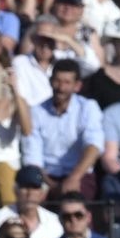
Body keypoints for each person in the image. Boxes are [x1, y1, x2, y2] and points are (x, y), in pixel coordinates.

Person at [21, 59, 102, 197]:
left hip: (79, 174)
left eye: (67, 82)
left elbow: (94, 146)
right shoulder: (36, 111)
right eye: (57, 81)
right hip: (45, 176)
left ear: (77, 86)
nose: (61, 88)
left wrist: (74, 178)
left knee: (77, 207)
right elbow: (32, 155)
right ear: (50, 81)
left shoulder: (88, 107)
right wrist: (51, 185)